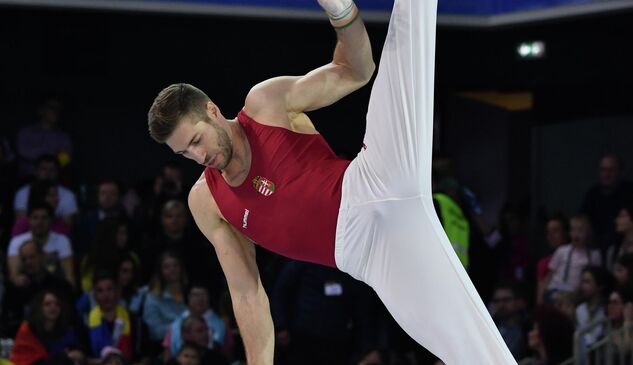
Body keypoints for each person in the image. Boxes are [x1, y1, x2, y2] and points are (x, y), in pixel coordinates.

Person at [147, 0, 515, 364]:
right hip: (373, 259)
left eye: (196, 141)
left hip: (373, 181)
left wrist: (340, 12)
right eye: (184, 154)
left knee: (409, 39)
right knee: (471, 352)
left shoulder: (264, 106)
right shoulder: (206, 201)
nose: (198, 156)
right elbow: (247, 294)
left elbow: (356, 70)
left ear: (211, 110)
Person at [7, 203, 76, 288]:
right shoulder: (16, 242)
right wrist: (18, 280)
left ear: (51, 220)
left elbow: (69, 276)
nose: (39, 222)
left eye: (44, 218)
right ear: (28, 220)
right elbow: (14, 275)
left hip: (55, 289)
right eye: (35, 218)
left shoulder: (62, 241)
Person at [540, 214, 602, 303]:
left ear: (587, 233)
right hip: (555, 290)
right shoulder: (561, 251)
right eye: (573, 230)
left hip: (577, 294)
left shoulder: (594, 255)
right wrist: (541, 297)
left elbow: (596, 279)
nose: (576, 234)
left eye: (580, 231)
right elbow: (549, 276)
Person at [9, 290, 82, 365]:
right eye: (47, 304)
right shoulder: (27, 329)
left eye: (57, 304)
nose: (53, 307)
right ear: (39, 307)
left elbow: (77, 352)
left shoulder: (67, 330)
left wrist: (77, 355)